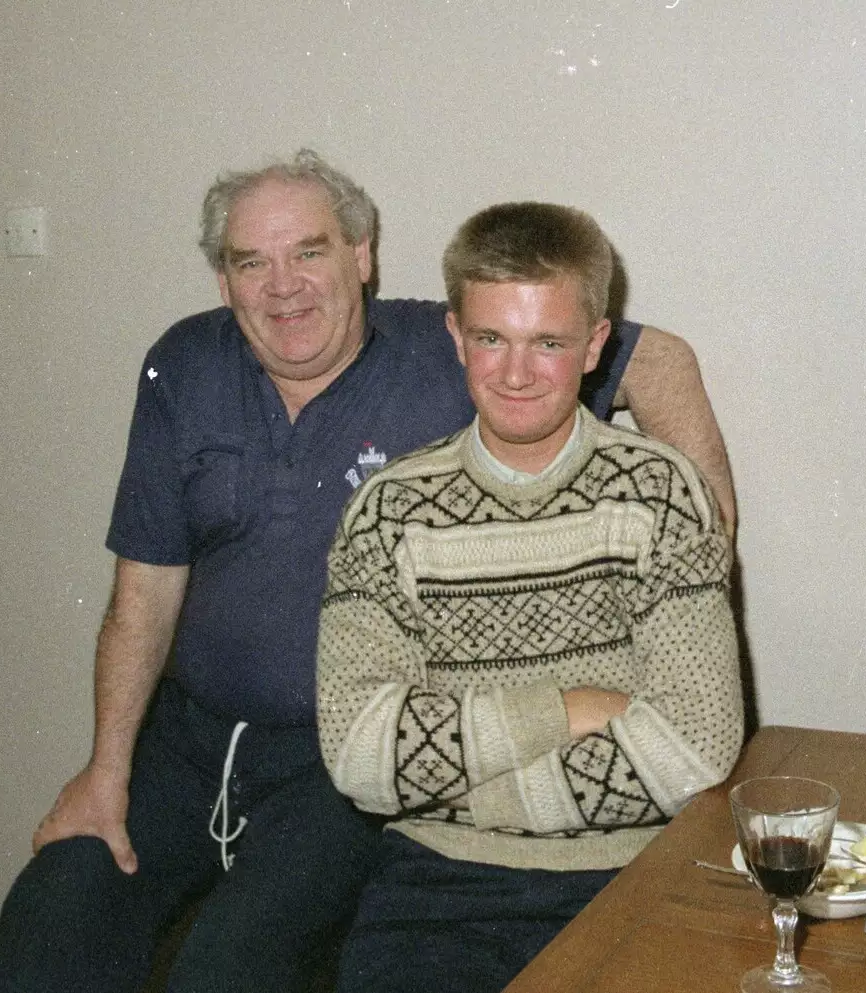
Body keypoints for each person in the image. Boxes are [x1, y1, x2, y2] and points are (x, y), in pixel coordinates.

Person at [0, 153, 735, 993]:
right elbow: (141, 595)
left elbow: (659, 360)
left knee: (233, 964)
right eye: (249, 262)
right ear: (223, 279)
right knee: (56, 906)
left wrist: (703, 545)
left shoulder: (448, 345)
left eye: (309, 251)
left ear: (363, 254)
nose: (283, 287)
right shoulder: (184, 365)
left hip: (335, 763)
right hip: (191, 742)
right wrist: (105, 769)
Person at [317, 202, 743, 993]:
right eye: (491, 339)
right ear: (456, 337)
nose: (515, 373)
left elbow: (697, 742)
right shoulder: (388, 512)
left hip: (633, 872)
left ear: (594, 345)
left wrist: (472, 789)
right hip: (437, 888)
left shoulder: (661, 495)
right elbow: (358, 753)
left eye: (548, 342)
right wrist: (574, 704)